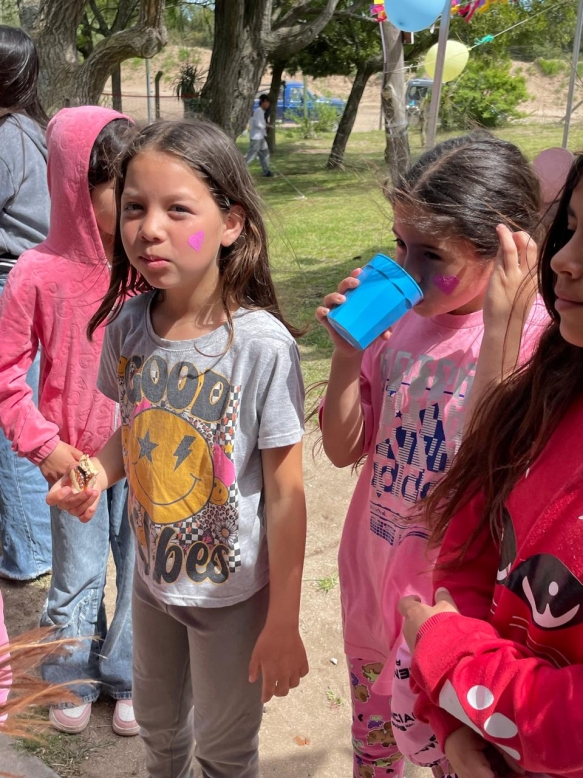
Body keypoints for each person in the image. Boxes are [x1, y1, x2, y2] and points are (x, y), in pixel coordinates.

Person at [47, 118, 309, 777]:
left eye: (178, 209)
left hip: (232, 599)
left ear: (231, 223)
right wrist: (93, 472)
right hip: (151, 583)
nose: (149, 229)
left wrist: (283, 619)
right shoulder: (129, 327)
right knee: (160, 733)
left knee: (223, 753)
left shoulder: (262, 347)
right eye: (135, 207)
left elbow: (285, 493)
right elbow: (134, 432)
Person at [315, 133, 548, 778]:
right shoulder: (395, 329)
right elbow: (342, 449)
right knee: (375, 752)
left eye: (431, 254)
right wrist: (347, 357)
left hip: (455, 610)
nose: (406, 269)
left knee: (454, 755)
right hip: (373, 578)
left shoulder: (535, 341)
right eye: (400, 244)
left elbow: (495, 472)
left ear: (505, 249)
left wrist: (501, 329)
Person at [399, 154, 583, 778]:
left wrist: (448, 660)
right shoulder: (551, 390)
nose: (563, 259)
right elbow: (471, 543)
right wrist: (454, 719)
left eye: (431, 253)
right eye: (570, 228)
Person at [0, 106, 137, 736]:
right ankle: (72, 676)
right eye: (122, 191)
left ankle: (130, 675)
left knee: (141, 571)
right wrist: (45, 448)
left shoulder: (153, 263)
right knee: (77, 575)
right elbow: (6, 377)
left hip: (147, 454)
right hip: (75, 462)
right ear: (75, 186)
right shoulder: (36, 273)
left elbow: (212, 242)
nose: (138, 207)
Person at [0, 24, 52, 581]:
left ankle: (31, 548)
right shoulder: (32, 130)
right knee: (24, 410)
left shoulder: (7, 137)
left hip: (9, 284)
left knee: (9, 418)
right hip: (31, 284)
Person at [246, 94, 273, 177]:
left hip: (261, 137)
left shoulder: (262, 111)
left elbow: (261, 123)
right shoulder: (258, 111)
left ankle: (266, 171)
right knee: (252, 154)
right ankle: (241, 169)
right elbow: (257, 124)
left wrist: (267, 125)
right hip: (256, 137)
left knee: (265, 153)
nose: (268, 105)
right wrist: (265, 126)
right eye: (267, 103)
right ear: (263, 102)